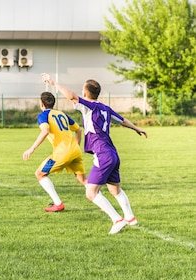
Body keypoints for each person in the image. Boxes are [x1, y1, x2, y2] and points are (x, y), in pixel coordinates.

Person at [42, 73, 148, 234]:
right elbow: (123, 120)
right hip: (112, 152)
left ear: (85, 93)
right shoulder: (106, 108)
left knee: (91, 193)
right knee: (114, 190)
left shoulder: (88, 106)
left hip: (102, 153)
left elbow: (71, 96)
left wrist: (54, 83)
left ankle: (117, 219)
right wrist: (137, 128)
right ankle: (130, 218)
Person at [23, 91, 87, 212]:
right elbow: (78, 130)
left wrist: (31, 149)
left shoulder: (43, 116)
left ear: (42, 104)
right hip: (75, 151)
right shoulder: (61, 113)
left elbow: (45, 131)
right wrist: (76, 146)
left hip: (62, 153)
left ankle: (58, 204)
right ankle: (102, 202)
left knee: (40, 174)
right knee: (83, 180)